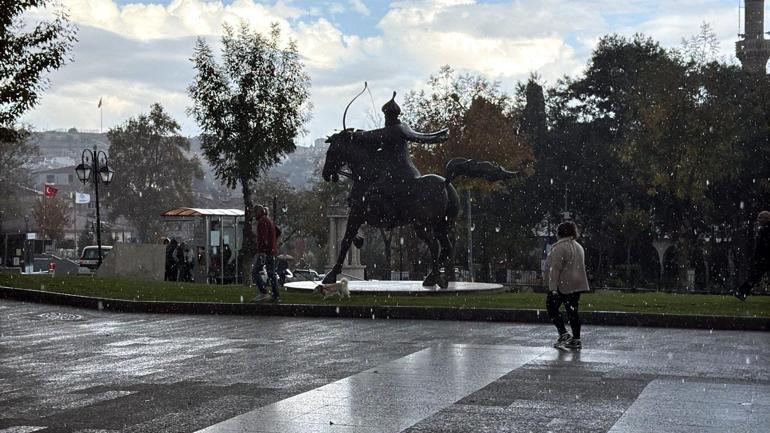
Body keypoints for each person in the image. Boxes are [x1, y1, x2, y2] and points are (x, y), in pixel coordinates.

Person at [543, 221, 589, 350]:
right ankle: (576, 338)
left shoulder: (559, 248)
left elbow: (555, 269)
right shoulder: (579, 247)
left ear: (559, 233)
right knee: (573, 312)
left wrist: (552, 288)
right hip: (576, 285)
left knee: (552, 307)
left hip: (562, 285)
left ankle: (563, 333)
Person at [733, 210, 770, 301]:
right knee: (755, 276)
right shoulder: (765, 229)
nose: (758, 220)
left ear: (766, 219)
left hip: (764, 258)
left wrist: (757, 257)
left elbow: (762, 246)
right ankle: (742, 292)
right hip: (764, 258)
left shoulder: (765, 229)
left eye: (760, 218)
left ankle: (742, 292)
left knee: (754, 276)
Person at [252, 205, 282, 302]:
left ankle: (263, 292)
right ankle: (276, 295)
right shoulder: (269, 220)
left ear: (258, 212)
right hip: (271, 251)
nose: (254, 216)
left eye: (254, 213)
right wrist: (273, 243)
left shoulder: (262, 221)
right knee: (272, 274)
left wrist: (262, 251)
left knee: (255, 271)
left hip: (265, 252)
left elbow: (263, 238)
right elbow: (278, 231)